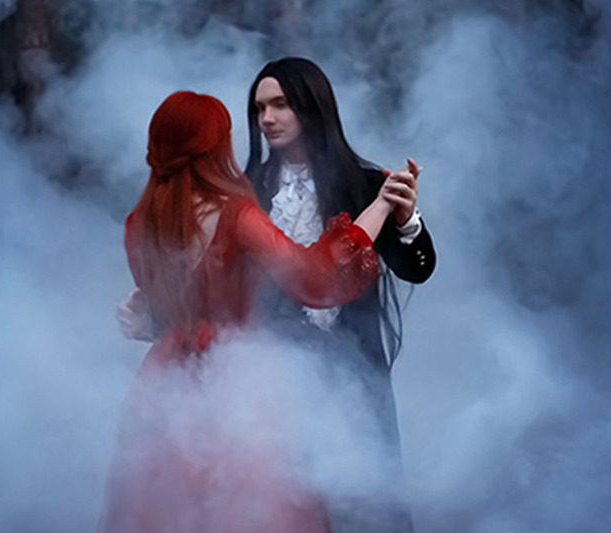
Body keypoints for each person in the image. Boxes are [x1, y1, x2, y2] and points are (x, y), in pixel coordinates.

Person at [100, 90, 398, 533]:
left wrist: (146, 312)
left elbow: (165, 301)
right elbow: (314, 280)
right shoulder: (235, 214)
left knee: (168, 506)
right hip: (237, 375)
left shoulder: (138, 223)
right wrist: (379, 208)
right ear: (214, 146)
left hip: (165, 381)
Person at [244, 57, 437, 533]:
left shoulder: (366, 183)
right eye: (259, 109)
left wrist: (406, 220)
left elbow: (418, 269)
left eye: (280, 105)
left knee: (362, 503)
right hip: (270, 378)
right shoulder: (246, 190)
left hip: (352, 372)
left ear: (312, 106)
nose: (266, 119)